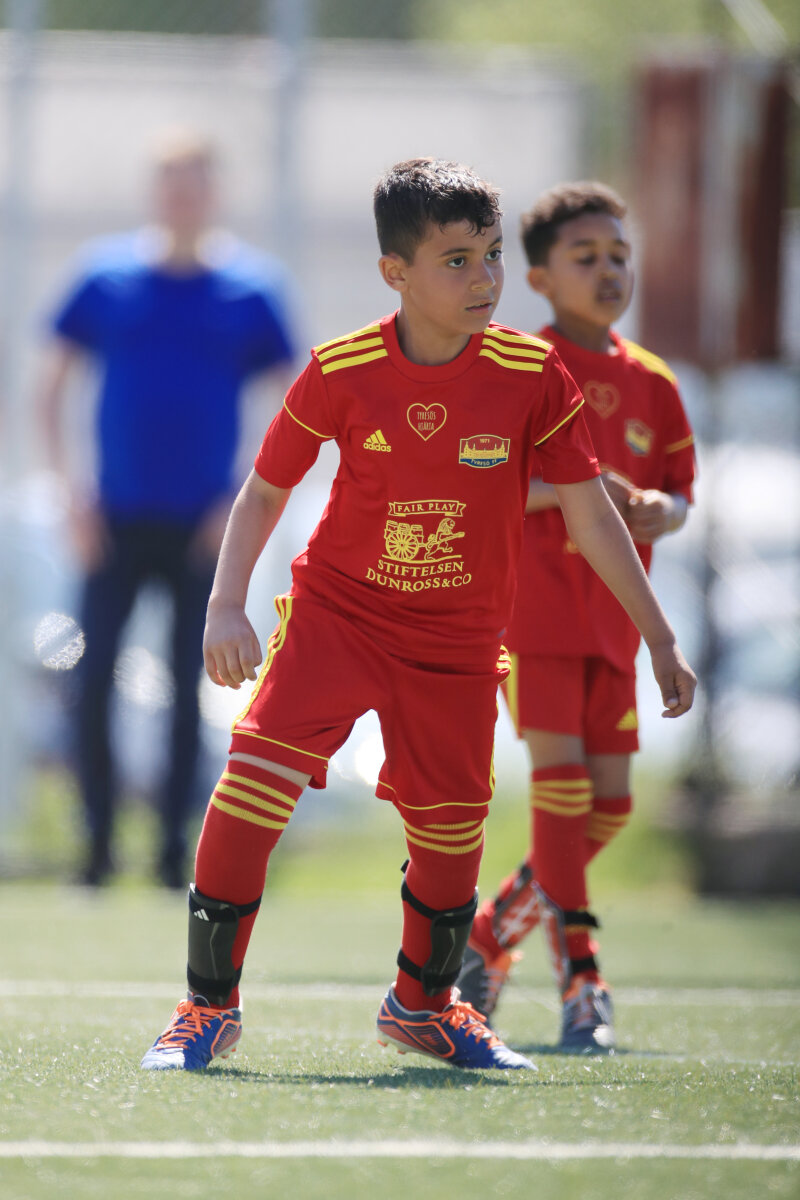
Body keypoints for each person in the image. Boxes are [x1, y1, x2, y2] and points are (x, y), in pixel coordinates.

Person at [139, 158, 695, 1074]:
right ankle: (205, 1009)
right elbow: (264, 491)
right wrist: (226, 605)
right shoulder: (342, 367)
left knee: (448, 841)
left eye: (492, 256)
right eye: (457, 261)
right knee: (249, 790)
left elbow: (592, 514)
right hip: (339, 619)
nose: (484, 279)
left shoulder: (532, 372)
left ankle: (424, 1008)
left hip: (460, 642)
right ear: (394, 272)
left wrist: (660, 637)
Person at [457, 182, 696, 1052]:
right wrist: (578, 492)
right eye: (585, 257)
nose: (608, 271)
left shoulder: (655, 383)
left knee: (611, 806)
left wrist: (663, 511)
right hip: (535, 618)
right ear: (540, 280)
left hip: (614, 626)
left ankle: (486, 937)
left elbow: (680, 493)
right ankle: (583, 982)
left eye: (619, 256)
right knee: (563, 798)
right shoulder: (518, 365)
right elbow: (482, 479)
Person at [38, 131, 296, 889]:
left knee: (192, 688)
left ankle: (171, 854)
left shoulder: (250, 290)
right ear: (154, 192)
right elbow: (49, 385)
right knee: (91, 682)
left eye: (195, 184)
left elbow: (293, 402)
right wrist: (68, 492)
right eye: (170, 183)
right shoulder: (105, 278)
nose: (182, 197)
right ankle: (94, 854)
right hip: (112, 520)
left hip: (203, 527)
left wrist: (242, 500)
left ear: (215, 194)